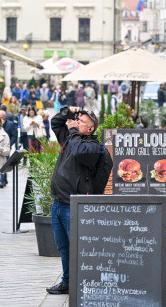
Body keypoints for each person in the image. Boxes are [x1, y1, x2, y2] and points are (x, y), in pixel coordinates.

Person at [47, 106, 106, 295]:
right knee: (64, 247)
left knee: (80, 247)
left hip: (74, 205)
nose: (77, 121)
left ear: (91, 129)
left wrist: (72, 129)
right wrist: (68, 112)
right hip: (58, 203)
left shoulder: (92, 146)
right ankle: (68, 282)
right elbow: (55, 122)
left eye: (81, 121)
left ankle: (85, 283)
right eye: (78, 119)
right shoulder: (70, 138)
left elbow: (79, 151)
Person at [0, 110, 16, 188]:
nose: (0, 119)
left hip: (6, 147)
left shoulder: (10, 124)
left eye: (2, 117)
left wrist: (9, 144)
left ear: (5, 116)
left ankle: (2, 181)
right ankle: (4, 179)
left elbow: (14, 135)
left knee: (4, 163)